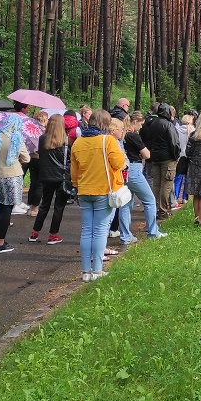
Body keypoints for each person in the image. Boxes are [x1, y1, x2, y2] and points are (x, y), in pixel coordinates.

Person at [70, 109, 126, 281]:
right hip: (103, 190)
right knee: (101, 231)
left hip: (84, 190)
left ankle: (85, 272)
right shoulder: (107, 140)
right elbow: (119, 163)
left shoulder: (78, 142)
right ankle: (97, 270)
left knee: (87, 230)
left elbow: (74, 172)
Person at [0, 114, 31, 254]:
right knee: (7, 208)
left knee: (1, 206)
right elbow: (26, 158)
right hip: (12, 176)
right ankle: (1, 243)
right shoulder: (16, 138)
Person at [124, 111, 167, 239]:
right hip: (134, 170)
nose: (142, 127)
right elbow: (147, 154)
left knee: (126, 204)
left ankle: (126, 236)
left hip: (125, 170)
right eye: (141, 124)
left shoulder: (123, 135)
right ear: (135, 122)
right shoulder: (133, 136)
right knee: (149, 200)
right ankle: (153, 232)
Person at [29, 115, 70, 245]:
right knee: (59, 207)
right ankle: (53, 234)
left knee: (44, 205)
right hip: (61, 177)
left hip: (46, 176)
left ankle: (35, 232)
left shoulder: (42, 139)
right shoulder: (65, 140)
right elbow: (68, 159)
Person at [141, 103, 180, 219]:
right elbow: (174, 143)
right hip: (167, 158)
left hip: (154, 158)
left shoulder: (150, 124)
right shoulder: (168, 125)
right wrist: (176, 156)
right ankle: (162, 211)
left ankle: (154, 208)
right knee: (166, 185)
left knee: (156, 185)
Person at [108, 117, 136, 249]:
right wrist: (126, 165)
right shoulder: (113, 142)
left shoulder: (116, 140)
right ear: (113, 130)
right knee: (111, 211)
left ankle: (121, 233)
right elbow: (120, 162)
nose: (122, 132)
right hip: (115, 180)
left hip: (116, 179)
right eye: (120, 129)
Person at [173, 114, 194, 204]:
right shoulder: (194, 131)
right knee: (187, 178)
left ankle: (175, 197)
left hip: (180, 157)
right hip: (190, 157)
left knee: (178, 178)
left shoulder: (177, 130)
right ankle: (185, 197)